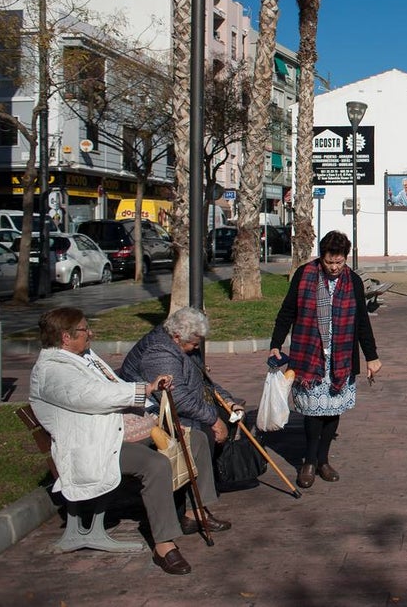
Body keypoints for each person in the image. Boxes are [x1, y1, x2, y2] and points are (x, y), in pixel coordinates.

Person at [29, 307, 231, 577]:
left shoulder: (81, 356)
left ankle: (195, 512)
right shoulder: (52, 371)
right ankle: (164, 545)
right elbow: (93, 394)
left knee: (192, 438)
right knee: (156, 465)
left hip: (115, 430)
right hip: (92, 446)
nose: (90, 333)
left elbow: (110, 383)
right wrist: (144, 389)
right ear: (66, 337)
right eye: (84, 329)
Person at [270, 231, 381, 489]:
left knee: (332, 411)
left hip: (340, 357)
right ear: (321, 257)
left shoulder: (352, 281)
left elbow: (362, 321)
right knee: (312, 411)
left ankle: (323, 459)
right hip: (310, 354)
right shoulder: (305, 274)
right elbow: (287, 311)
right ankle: (308, 461)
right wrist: (275, 344)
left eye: (339, 262)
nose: (333, 267)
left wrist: (372, 356)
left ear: (345, 258)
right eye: (329, 262)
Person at [119, 307, 242, 444]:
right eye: (194, 344)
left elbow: (203, 381)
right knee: (207, 434)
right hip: (162, 414)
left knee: (235, 417)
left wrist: (229, 402)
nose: (196, 348)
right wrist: (213, 420)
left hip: (188, 405)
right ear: (177, 337)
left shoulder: (181, 345)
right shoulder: (160, 352)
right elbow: (179, 400)